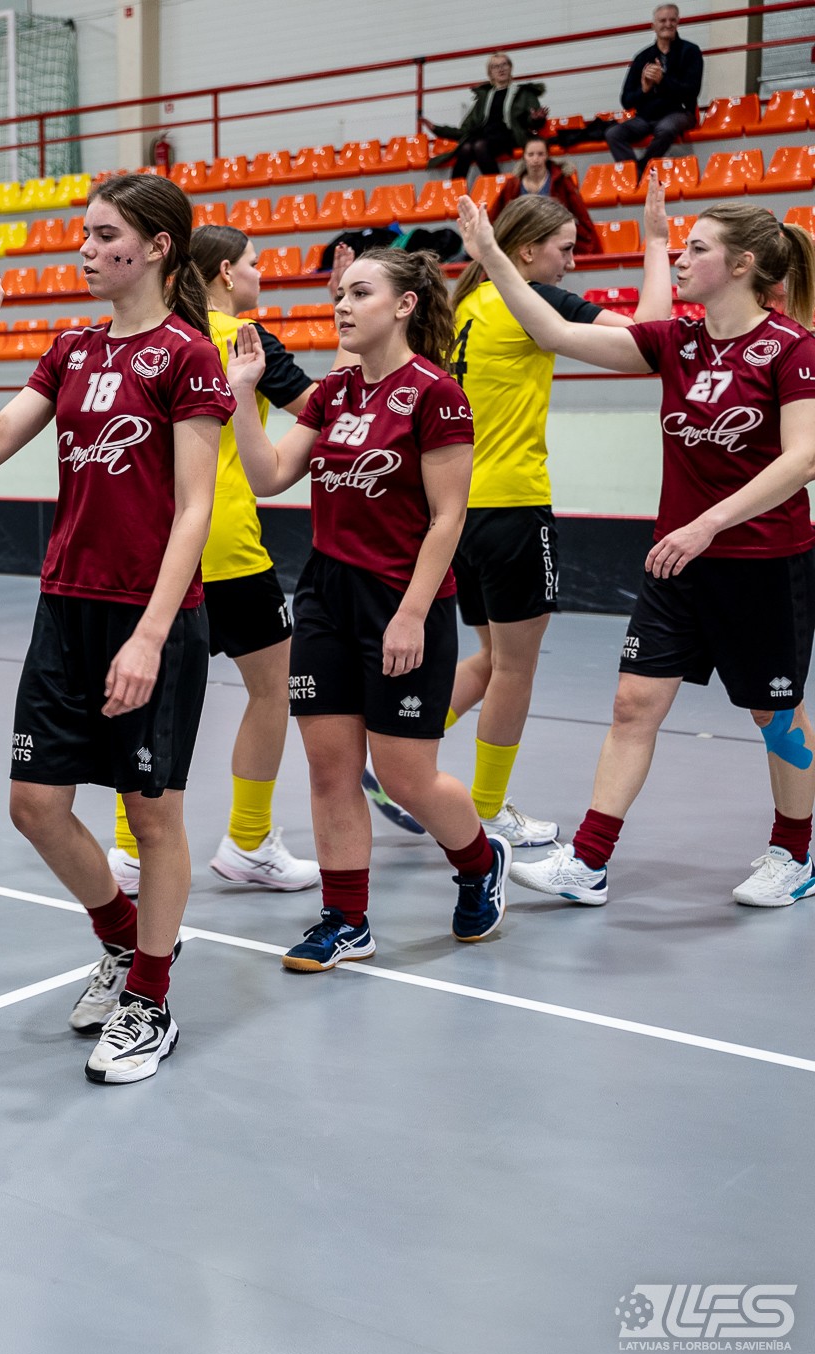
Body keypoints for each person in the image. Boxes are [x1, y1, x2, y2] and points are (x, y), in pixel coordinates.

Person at [455, 193, 815, 909]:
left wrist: (708, 524)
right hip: (674, 564)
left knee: (776, 717)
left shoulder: (792, 348)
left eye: (697, 248)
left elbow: (803, 457)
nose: (680, 258)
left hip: (763, 563)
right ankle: (588, 860)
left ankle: (795, 851)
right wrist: (490, 253)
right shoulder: (677, 341)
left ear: (741, 265)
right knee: (632, 704)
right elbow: (553, 330)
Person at [0, 172, 226, 1084]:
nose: (86, 248)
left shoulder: (188, 355)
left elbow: (195, 509)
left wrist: (150, 635)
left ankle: (149, 999)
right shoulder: (72, 348)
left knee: (152, 815)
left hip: (150, 614)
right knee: (34, 803)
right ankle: (121, 937)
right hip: (64, 605)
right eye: (85, 232)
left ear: (156, 247)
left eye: (105, 234)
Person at [225, 249, 512, 972]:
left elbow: (448, 518)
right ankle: (345, 920)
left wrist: (411, 615)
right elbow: (267, 475)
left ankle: (481, 862)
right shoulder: (333, 392)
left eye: (361, 293)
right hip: (326, 597)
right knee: (330, 769)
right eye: (341, 295)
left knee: (406, 774)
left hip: (403, 598)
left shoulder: (437, 394)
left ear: (405, 304)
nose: (343, 306)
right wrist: (243, 394)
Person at [434, 184, 673, 849]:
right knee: (515, 668)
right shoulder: (532, 300)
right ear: (526, 251)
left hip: (455, 514)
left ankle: (399, 754)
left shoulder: (464, 306)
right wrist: (656, 243)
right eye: (564, 250)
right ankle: (485, 811)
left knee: (490, 657)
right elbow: (651, 335)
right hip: (513, 509)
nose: (571, 262)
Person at [105, 225, 320, 901]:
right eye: (254, 264)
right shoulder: (246, 339)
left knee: (142, 697)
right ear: (225, 272)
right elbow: (328, 412)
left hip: (153, 546)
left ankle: (129, 850)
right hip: (226, 545)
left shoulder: (155, 337)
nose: (259, 275)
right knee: (272, 688)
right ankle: (249, 840)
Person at [423, 52, 550, 182]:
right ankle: (456, 191)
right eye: (495, 66)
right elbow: (465, 130)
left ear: (510, 67)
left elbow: (533, 122)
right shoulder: (484, 96)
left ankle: (497, 188)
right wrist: (437, 129)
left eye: (504, 64)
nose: (500, 69)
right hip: (485, 135)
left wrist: (536, 119)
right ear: (490, 73)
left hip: (508, 135)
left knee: (479, 145)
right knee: (466, 148)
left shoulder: (524, 93)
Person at [607, 5, 703, 170]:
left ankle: (641, 170)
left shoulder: (691, 51)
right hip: (646, 117)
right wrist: (644, 90)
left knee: (665, 129)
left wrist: (663, 80)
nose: (668, 24)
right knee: (613, 133)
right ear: (653, 26)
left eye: (672, 20)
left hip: (678, 113)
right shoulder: (642, 57)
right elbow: (626, 101)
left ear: (678, 22)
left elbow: (692, 91)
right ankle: (635, 172)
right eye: (662, 20)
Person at [489, 136, 602, 252]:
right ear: (524, 157)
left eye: (540, 154)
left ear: (547, 155)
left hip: (555, 240)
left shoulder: (561, 181)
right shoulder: (512, 185)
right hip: (520, 243)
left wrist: (592, 247)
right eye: (531, 155)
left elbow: (582, 215)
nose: (535, 159)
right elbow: (494, 218)